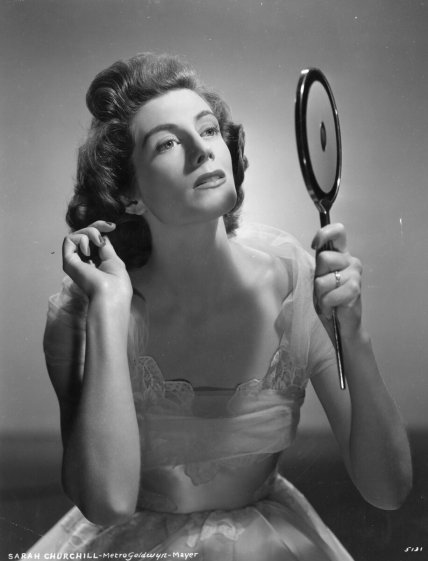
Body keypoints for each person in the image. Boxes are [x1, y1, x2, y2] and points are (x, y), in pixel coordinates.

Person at [28, 52, 412, 560]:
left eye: (208, 130)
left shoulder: (298, 282)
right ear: (129, 194)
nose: (201, 150)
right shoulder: (84, 312)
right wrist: (109, 309)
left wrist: (354, 337)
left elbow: (388, 490)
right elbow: (107, 504)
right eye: (167, 143)